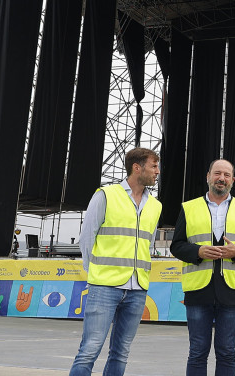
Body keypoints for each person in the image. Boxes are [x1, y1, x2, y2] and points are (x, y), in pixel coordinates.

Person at [70, 147, 162, 376]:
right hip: (104, 287)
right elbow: (87, 237)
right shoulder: (106, 194)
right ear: (136, 168)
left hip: (137, 288)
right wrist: (95, 273)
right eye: (153, 166)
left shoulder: (155, 205)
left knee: (121, 352)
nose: (157, 172)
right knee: (90, 349)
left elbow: (146, 246)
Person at [170, 159, 235, 376]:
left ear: (232, 180)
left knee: (227, 351)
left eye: (227, 175)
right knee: (197, 351)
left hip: (231, 291)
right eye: (217, 173)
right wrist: (198, 252)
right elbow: (177, 245)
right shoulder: (189, 207)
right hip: (198, 289)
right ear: (208, 176)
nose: (222, 178)